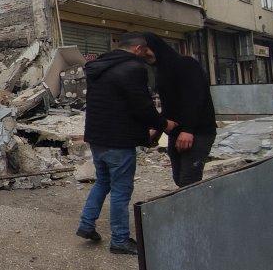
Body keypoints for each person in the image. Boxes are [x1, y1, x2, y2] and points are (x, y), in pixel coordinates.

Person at [77, 32, 172, 255]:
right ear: (138, 49)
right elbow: (142, 106)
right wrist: (163, 123)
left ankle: (86, 224)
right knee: (121, 190)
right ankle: (120, 239)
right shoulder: (133, 68)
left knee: (102, 182)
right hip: (118, 140)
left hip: (96, 137)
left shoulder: (99, 65)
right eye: (146, 51)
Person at [143, 33, 217, 187]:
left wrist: (188, 130)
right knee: (179, 179)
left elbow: (196, 98)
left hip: (198, 132)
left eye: (146, 50)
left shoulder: (186, 64)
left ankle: (199, 210)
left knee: (188, 182)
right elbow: (169, 107)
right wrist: (158, 129)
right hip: (177, 133)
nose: (144, 56)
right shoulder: (161, 71)